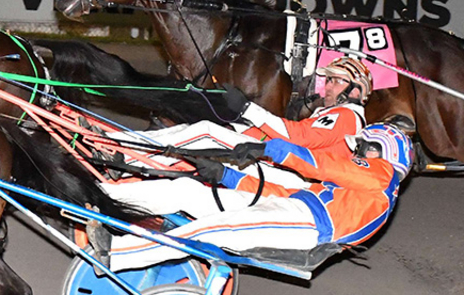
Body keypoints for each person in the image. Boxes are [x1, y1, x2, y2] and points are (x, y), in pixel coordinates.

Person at [105, 122, 413, 271]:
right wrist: (229, 177)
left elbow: (321, 165)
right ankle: (103, 197)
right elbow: (287, 193)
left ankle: (117, 253)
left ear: (385, 152)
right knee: (185, 190)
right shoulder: (359, 190)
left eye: (365, 147)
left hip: (307, 227)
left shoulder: (381, 175)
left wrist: (271, 149)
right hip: (294, 210)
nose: (358, 152)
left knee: (210, 230)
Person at [99, 57, 373, 217]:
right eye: (329, 79)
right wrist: (239, 126)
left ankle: (119, 148)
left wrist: (247, 108)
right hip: (290, 173)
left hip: (297, 181)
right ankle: (122, 152)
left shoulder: (347, 116)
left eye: (336, 81)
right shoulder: (338, 117)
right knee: (203, 133)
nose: (327, 86)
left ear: (356, 91)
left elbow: (297, 137)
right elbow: (287, 136)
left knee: (205, 132)